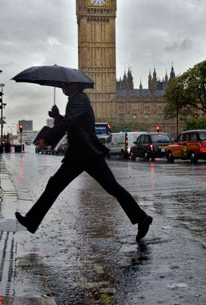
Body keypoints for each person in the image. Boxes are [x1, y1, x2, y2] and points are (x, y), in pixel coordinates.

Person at [15, 83, 153, 242]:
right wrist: (58, 117)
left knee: (109, 187)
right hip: (82, 153)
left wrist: (47, 138)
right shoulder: (76, 100)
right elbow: (71, 123)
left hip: (85, 153)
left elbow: (69, 124)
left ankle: (142, 218)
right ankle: (142, 218)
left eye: (66, 85)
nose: (63, 87)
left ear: (75, 86)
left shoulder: (79, 99)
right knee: (59, 185)